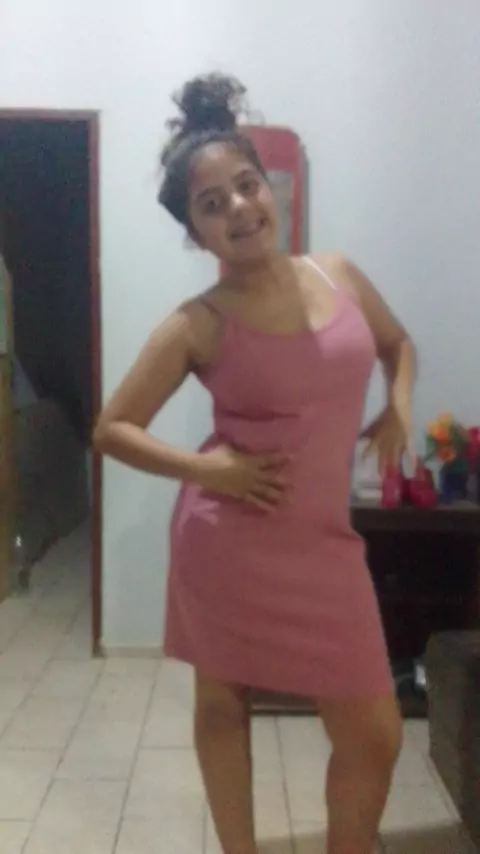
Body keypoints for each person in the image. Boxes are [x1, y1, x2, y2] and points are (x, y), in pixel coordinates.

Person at [94, 73, 415, 854]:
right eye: (213, 204)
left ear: (268, 189)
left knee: (375, 734)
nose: (238, 208)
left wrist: (398, 407)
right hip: (229, 540)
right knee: (223, 705)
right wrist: (211, 473)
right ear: (197, 233)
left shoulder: (337, 274)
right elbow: (112, 428)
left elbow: (396, 342)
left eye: (245, 185)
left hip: (325, 547)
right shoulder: (199, 323)